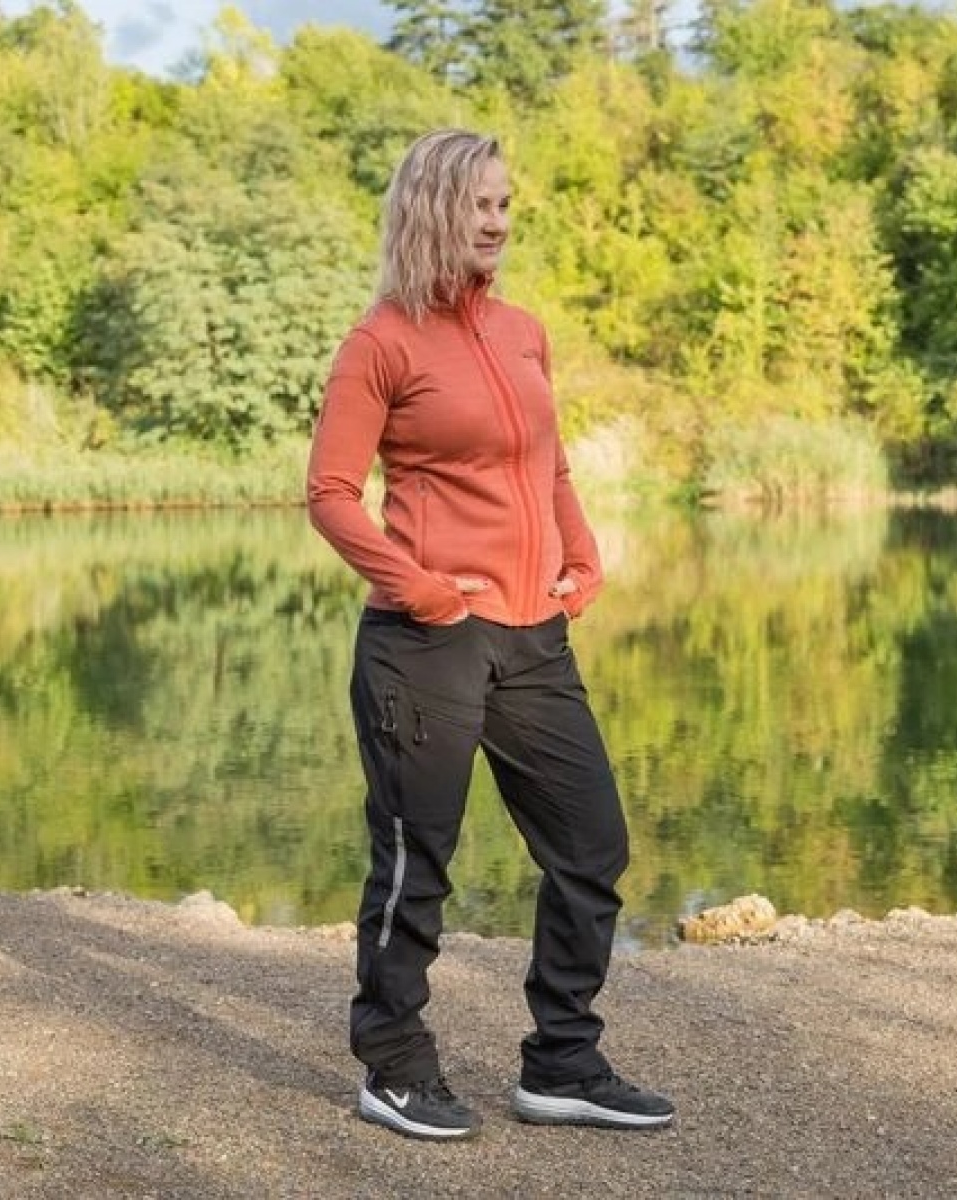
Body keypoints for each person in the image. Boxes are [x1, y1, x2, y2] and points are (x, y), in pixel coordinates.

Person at [305, 128, 674, 1141]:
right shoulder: (380, 342)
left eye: (506, 204)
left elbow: (548, 466)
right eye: (480, 204)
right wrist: (422, 590)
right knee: (415, 861)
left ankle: (562, 1062)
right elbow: (330, 494)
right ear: (432, 209)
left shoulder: (522, 333)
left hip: (532, 637)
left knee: (591, 846)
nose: (499, 222)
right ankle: (392, 1064)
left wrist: (582, 556)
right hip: (425, 644)